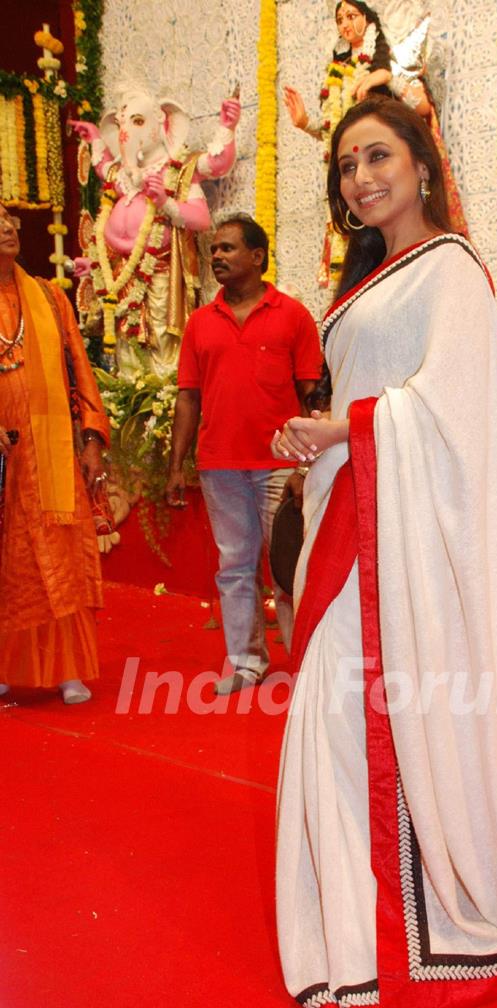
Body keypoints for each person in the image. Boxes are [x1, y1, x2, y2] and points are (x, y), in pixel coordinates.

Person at [271, 98, 497, 1008]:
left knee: (360, 715)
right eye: (347, 164)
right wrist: (322, 434)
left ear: (423, 163)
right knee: (334, 713)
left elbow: (450, 411)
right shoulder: (365, 283)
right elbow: (368, 399)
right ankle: (349, 914)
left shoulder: (453, 272)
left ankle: (399, 931)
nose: (360, 178)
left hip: (400, 544)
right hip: (347, 524)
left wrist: (347, 428)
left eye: (378, 156)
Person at [166, 214, 322, 694]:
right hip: (220, 466)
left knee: (289, 567)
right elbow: (188, 396)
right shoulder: (198, 323)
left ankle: (306, 668)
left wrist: (307, 464)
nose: (216, 256)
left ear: (257, 257)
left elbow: (312, 393)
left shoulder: (293, 315)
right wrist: (177, 466)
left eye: (228, 248)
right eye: (214, 250)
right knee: (233, 566)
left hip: (280, 465)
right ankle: (246, 661)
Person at [0, 203, 110, 705]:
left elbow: (81, 370)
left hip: (50, 449)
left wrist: (91, 437)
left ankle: (67, 668)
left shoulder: (48, 295)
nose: (6, 228)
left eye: (8, 220)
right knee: (10, 563)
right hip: (4, 458)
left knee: (58, 556)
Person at [283, 0, 467, 286]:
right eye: (347, 168)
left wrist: (385, 78)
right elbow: (336, 133)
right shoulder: (338, 72)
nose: (344, 24)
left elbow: (421, 108)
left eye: (378, 156)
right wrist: (307, 123)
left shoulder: (387, 61)